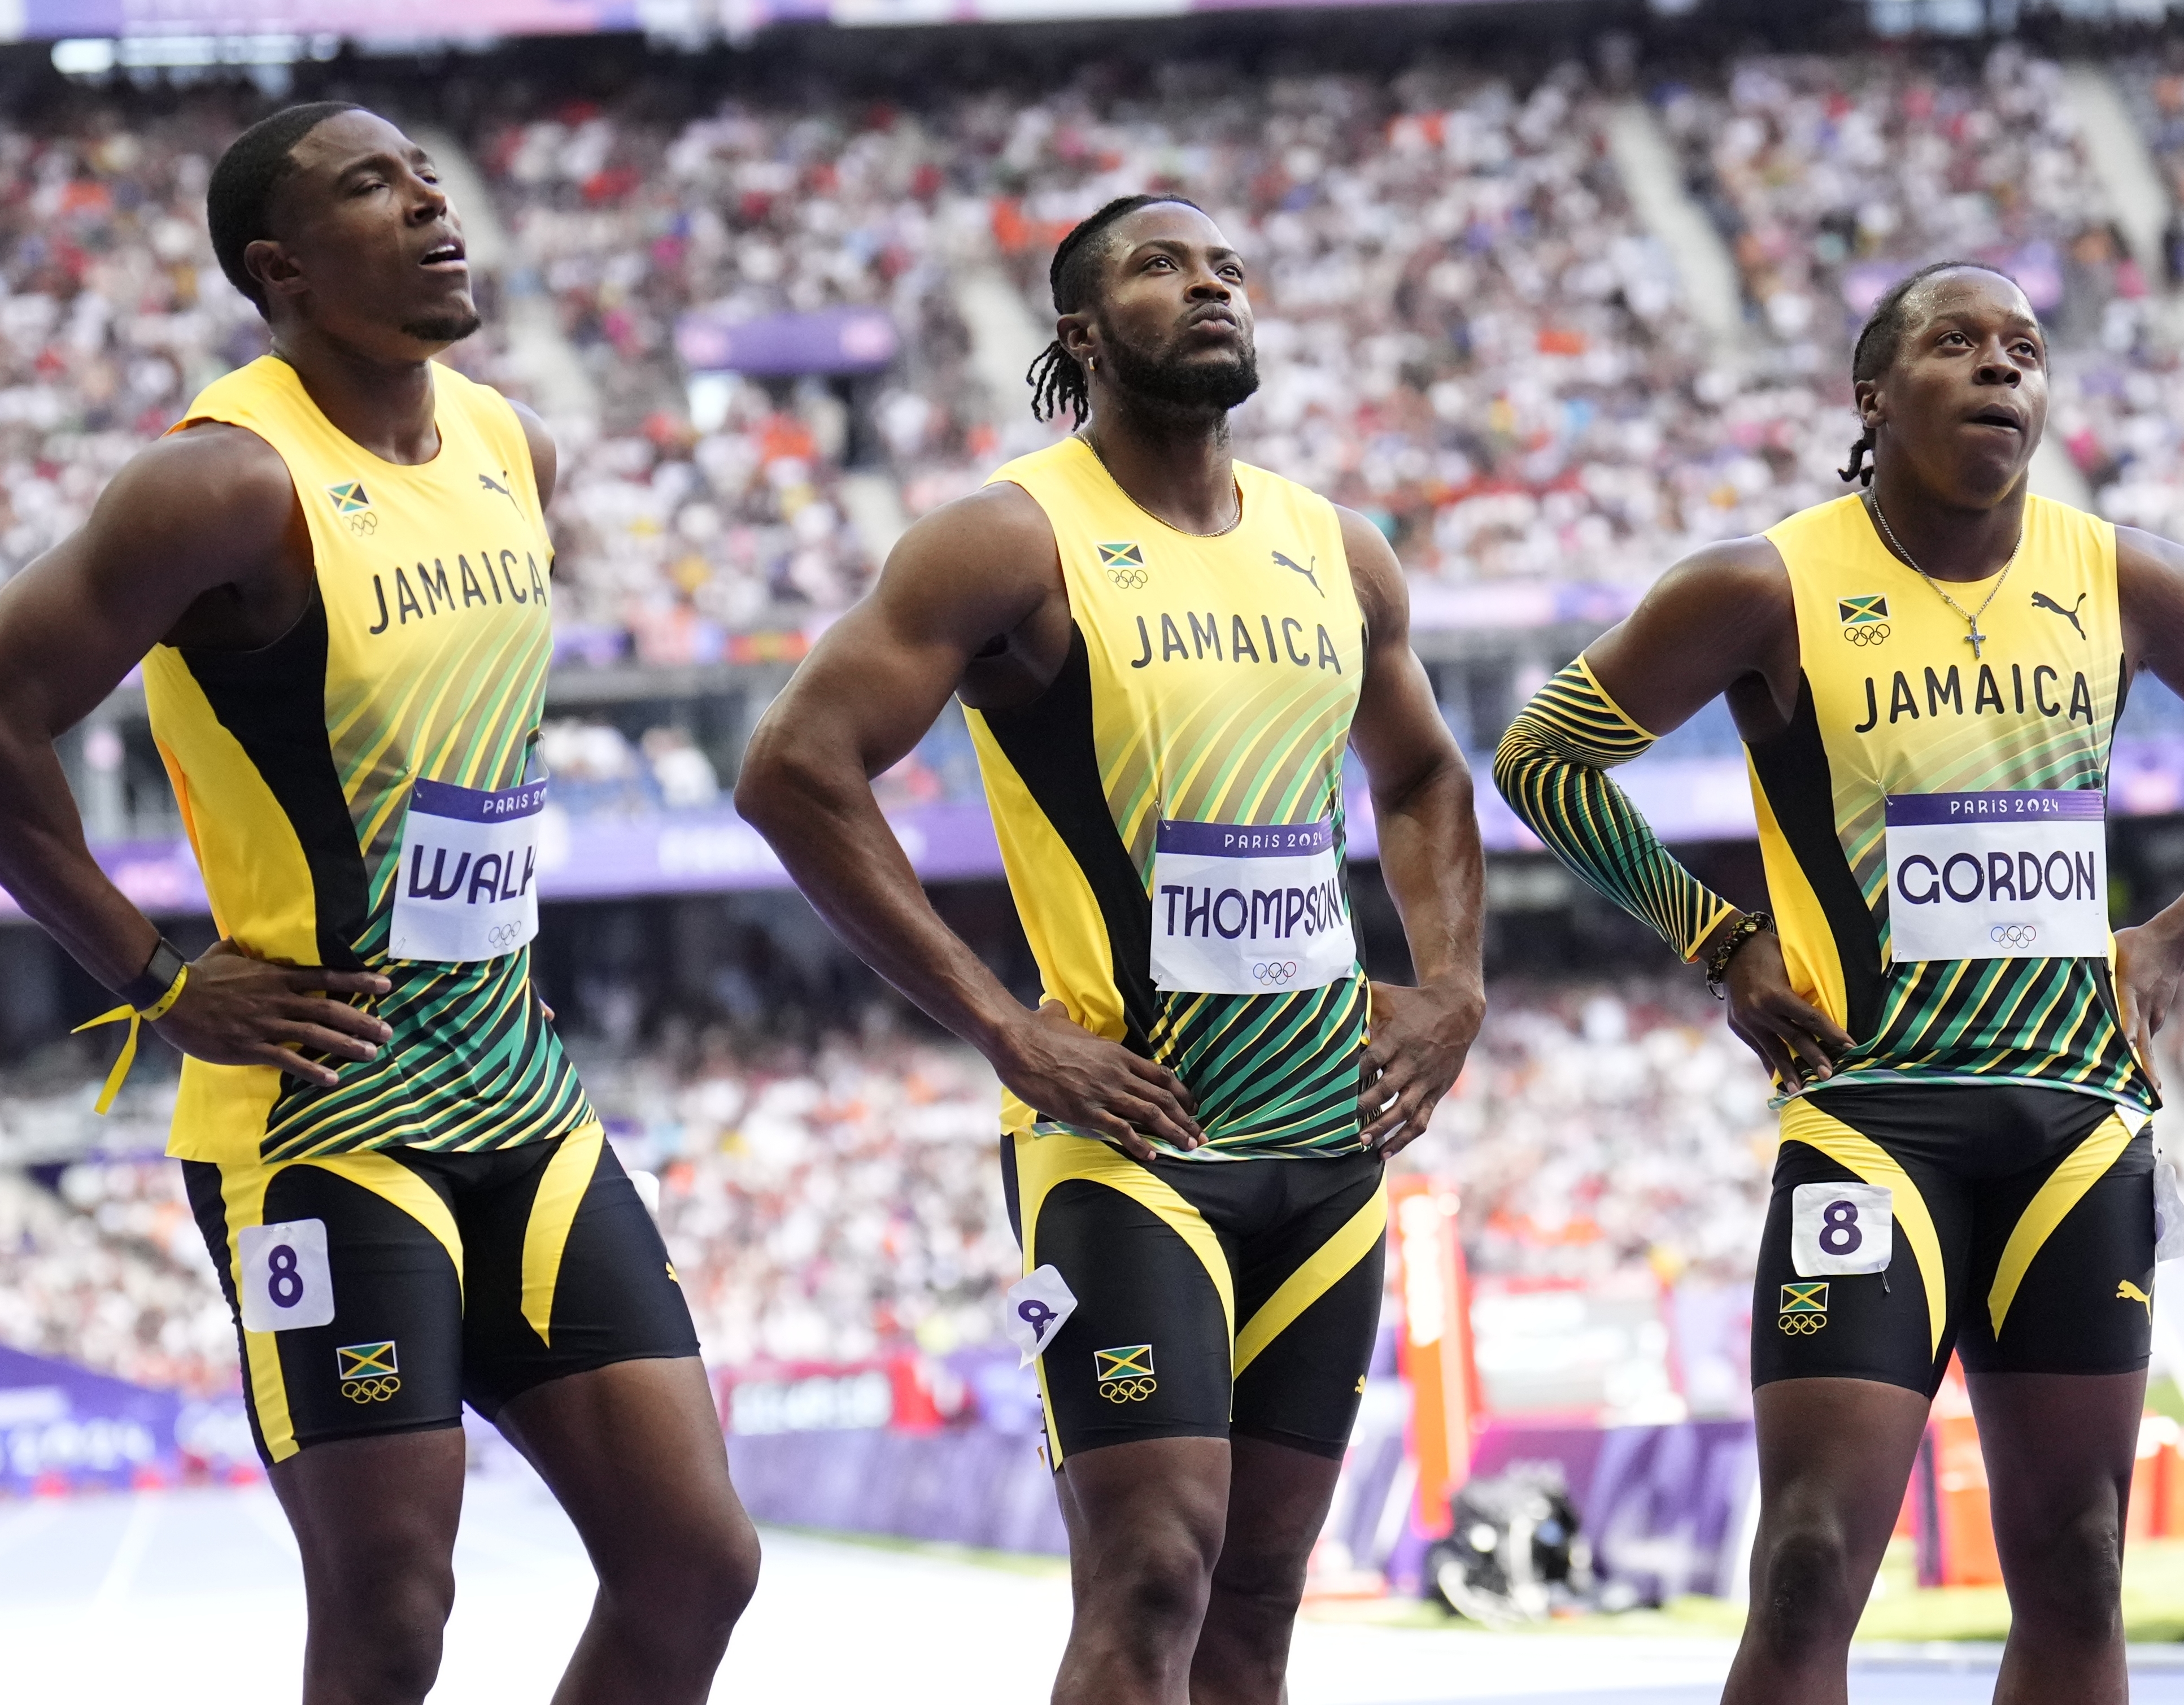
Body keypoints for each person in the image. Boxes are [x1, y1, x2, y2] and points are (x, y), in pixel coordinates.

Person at [0, 104, 757, 1704]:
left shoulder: (514, 447)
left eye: (431, 177)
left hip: (519, 1091)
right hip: (321, 1117)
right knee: (397, 1600)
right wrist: (152, 973)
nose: (432, 204)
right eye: (374, 188)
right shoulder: (218, 487)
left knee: (698, 1560)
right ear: (280, 270)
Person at [737, 193, 1484, 1704]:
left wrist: (1453, 983)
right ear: (1080, 333)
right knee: (1149, 1576)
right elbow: (794, 769)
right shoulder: (1009, 538)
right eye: (1163, 266)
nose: (1210, 282)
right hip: (1128, 1144)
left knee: (1259, 1609)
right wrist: (1005, 1024)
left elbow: (1420, 778)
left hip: (1325, 1148)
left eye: (1226, 263)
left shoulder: (1335, 551)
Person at [1496, 260, 2184, 1704]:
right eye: (1958, 343)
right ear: (1872, 394)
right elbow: (1541, 761)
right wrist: (1718, 940)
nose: (2001, 369)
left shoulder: (2127, 576)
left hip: (2077, 1126)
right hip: (1872, 1122)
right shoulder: (1766, 583)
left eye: (2025, 350)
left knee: (2079, 1559)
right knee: (1807, 1563)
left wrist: (2176, 932)